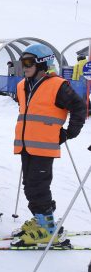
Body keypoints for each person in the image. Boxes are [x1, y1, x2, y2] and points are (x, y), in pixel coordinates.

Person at [11, 44, 86, 246]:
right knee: (30, 186)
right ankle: (42, 220)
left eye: (28, 62)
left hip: (44, 147)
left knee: (38, 187)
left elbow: (79, 108)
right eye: (22, 62)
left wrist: (68, 133)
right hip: (26, 145)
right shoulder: (22, 85)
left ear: (42, 63)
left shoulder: (58, 85)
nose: (24, 67)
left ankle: (47, 229)